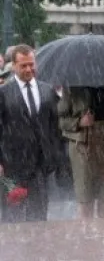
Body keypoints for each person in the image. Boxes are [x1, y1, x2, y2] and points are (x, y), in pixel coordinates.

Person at [0, 45, 62, 222]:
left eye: (31, 64)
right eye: (23, 65)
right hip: (12, 165)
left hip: (40, 166)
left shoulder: (47, 91)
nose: (28, 69)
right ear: (13, 66)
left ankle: (38, 249)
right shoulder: (3, 93)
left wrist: (55, 154)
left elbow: (54, 126)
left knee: (39, 216)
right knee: (13, 218)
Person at [59, 85, 104, 219]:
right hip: (81, 147)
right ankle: (86, 235)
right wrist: (79, 122)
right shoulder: (71, 88)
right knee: (85, 197)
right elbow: (61, 121)